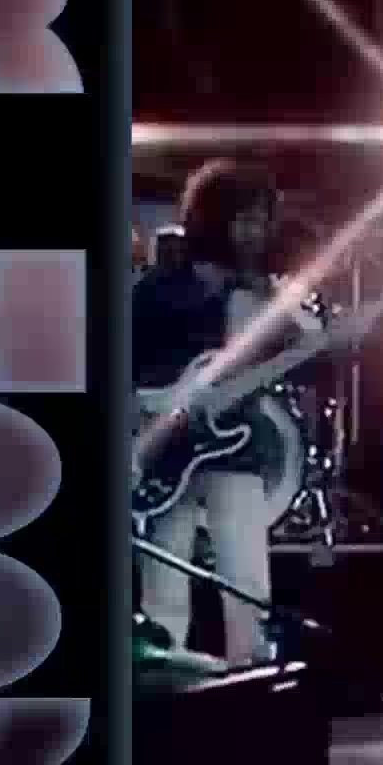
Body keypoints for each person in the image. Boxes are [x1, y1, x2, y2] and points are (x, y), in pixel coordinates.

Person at [133, 159, 301, 666]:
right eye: (243, 218)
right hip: (165, 453)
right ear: (212, 217)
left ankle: (252, 683)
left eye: (261, 220)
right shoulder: (161, 287)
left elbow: (294, 359)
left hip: (239, 448)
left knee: (247, 585)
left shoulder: (262, 292)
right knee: (163, 590)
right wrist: (144, 413)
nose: (254, 231)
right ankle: (163, 684)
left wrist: (324, 341)